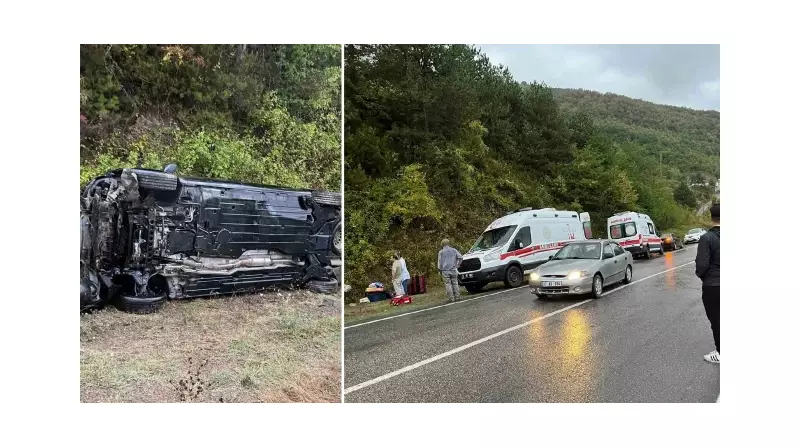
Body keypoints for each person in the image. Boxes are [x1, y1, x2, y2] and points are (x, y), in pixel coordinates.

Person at [695, 203, 720, 364]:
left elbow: (702, 265)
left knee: (717, 319)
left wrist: (702, 276)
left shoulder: (707, 238)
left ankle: (721, 352)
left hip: (714, 285)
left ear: (711, 218)